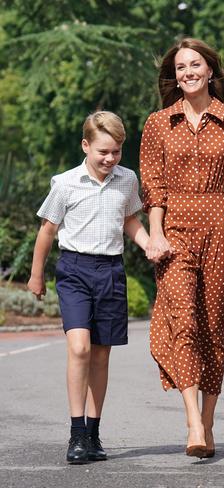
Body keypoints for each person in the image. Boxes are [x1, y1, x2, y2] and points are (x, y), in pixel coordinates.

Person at [140, 38, 224, 458]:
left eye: (195, 65)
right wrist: (155, 234)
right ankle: (193, 420)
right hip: (174, 231)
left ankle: (208, 420)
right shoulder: (158, 123)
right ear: (173, 76)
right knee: (184, 321)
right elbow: (153, 187)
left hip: (218, 229)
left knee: (213, 327)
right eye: (180, 67)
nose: (188, 72)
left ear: (211, 70)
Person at [27, 111, 149, 464]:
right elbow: (47, 231)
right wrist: (37, 275)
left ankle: (94, 434)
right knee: (79, 348)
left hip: (110, 271)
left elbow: (130, 219)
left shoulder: (127, 180)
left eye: (116, 152)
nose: (110, 159)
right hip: (75, 270)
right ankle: (76, 433)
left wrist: (150, 244)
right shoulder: (65, 183)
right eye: (103, 152)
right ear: (86, 146)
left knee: (100, 353)